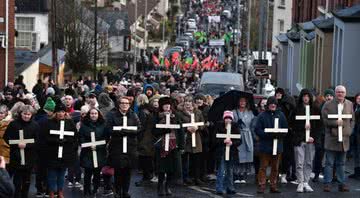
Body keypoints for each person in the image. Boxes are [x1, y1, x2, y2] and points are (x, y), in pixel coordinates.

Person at [106, 96, 141, 198]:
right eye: (123, 103)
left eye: (127, 103)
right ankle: (117, 190)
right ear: (119, 104)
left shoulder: (133, 115)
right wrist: (120, 132)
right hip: (117, 146)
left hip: (130, 146)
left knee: (127, 170)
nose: (125, 105)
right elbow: (108, 128)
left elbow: (139, 128)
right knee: (118, 170)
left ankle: (125, 191)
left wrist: (127, 131)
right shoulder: (112, 115)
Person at [322, 85, 354, 192]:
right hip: (332, 138)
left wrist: (350, 130)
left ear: (345, 93)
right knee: (329, 163)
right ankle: (327, 183)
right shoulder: (328, 104)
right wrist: (335, 123)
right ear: (335, 93)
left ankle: (342, 183)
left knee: (341, 163)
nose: (340, 94)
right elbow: (325, 120)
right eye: (338, 92)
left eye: (342, 92)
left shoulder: (349, 104)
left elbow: (352, 120)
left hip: (344, 139)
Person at [4, 105, 40, 198]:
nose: (26, 116)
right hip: (16, 155)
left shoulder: (35, 125)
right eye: (24, 114)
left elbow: (38, 141)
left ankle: (25, 195)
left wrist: (27, 145)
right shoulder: (13, 124)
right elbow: (6, 137)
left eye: (29, 114)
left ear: (31, 115)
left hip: (29, 156)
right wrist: (16, 144)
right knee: (17, 179)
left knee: (27, 180)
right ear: (21, 114)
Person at [45, 101, 78, 198]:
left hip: (65, 152)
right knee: (51, 174)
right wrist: (56, 140)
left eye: (63, 111)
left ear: (65, 113)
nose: (61, 113)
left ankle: (60, 191)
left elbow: (75, 136)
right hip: (52, 152)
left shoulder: (70, 122)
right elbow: (45, 137)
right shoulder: (49, 123)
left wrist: (66, 140)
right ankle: (51, 191)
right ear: (55, 113)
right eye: (58, 112)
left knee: (62, 174)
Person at [255, 97, 288, 193]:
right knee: (263, 167)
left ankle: (273, 185)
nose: (273, 105)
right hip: (265, 146)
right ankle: (262, 185)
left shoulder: (281, 115)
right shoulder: (262, 115)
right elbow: (257, 129)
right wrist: (267, 135)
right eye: (271, 103)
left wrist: (278, 134)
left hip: (277, 146)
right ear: (268, 105)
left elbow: (285, 129)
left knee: (275, 167)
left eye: (274, 103)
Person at [153, 97, 184, 196]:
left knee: (172, 168)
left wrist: (181, 145)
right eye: (165, 104)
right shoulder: (156, 116)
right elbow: (153, 131)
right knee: (162, 168)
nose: (167, 106)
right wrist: (163, 130)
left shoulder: (176, 116)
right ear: (161, 106)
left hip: (173, 144)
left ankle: (167, 186)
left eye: (169, 104)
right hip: (161, 145)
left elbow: (180, 131)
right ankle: (160, 186)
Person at [292, 89, 321, 192]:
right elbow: (292, 124)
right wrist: (302, 126)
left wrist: (313, 136)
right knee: (299, 162)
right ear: (301, 97)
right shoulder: (297, 109)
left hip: (311, 140)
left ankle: (306, 182)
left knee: (308, 162)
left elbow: (318, 126)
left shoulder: (315, 109)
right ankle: (300, 182)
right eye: (304, 96)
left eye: (307, 96)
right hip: (299, 139)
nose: (306, 98)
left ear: (310, 97)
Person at [79, 108, 109, 197]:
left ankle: (95, 189)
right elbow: (80, 137)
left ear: (98, 114)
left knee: (97, 173)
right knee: (87, 173)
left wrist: (98, 146)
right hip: (87, 153)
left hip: (99, 152)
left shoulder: (103, 125)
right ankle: (86, 190)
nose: (93, 115)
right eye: (92, 113)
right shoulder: (84, 125)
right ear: (89, 114)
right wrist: (88, 145)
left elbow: (106, 138)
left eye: (95, 113)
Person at [178, 96, 205, 186]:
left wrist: (198, 127)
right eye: (186, 101)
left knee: (196, 160)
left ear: (192, 103)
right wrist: (186, 128)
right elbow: (179, 125)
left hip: (196, 138)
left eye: (189, 101)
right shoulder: (180, 113)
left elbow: (203, 124)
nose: (188, 103)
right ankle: (185, 178)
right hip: (186, 139)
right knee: (185, 160)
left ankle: (196, 177)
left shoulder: (198, 112)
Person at [214, 111, 241, 195]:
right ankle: (219, 188)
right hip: (221, 151)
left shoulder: (235, 127)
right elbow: (214, 140)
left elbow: (239, 140)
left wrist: (232, 143)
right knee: (221, 170)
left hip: (231, 151)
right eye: (226, 118)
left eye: (229, 118)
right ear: (224, 119)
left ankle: (230, 187)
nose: (228, 120)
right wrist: (223, 141)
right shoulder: (219, 126)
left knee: (230, 170)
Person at [232, 96, 256, 184]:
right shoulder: (234, 112)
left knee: (246, 155)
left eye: (244, 101)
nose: (242, 103)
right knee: (238, 155)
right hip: (238, 135)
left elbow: (253, 124)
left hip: (248, 135)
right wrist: (236, 124)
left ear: (246, 103)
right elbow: (230, 123)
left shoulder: (250, 113)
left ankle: (242, 174)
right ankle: (236, 174)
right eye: (241, 101)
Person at [275, 88, 297, 183]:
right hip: (279, 132)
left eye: (280, 93)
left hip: (287, 134)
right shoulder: (277, 104)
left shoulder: (286, 105)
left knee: (287, 155)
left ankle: (286, 173)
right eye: (277, 93)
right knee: (279, 155)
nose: (279, 95)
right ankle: (280, 174)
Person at [349, 92, 360, 179]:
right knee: (356, 153)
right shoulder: (354, 107)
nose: (359, 100)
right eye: (358, 98)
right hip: (354, 134)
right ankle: (356, 172)